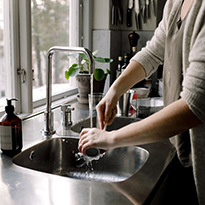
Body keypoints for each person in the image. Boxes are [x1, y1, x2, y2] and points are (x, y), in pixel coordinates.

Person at [78, 0, 205, 204]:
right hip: (181, 152)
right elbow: (153, 52)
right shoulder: (175, 3)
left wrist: (111, 138)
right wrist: (115, 89)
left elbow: (194, 105)